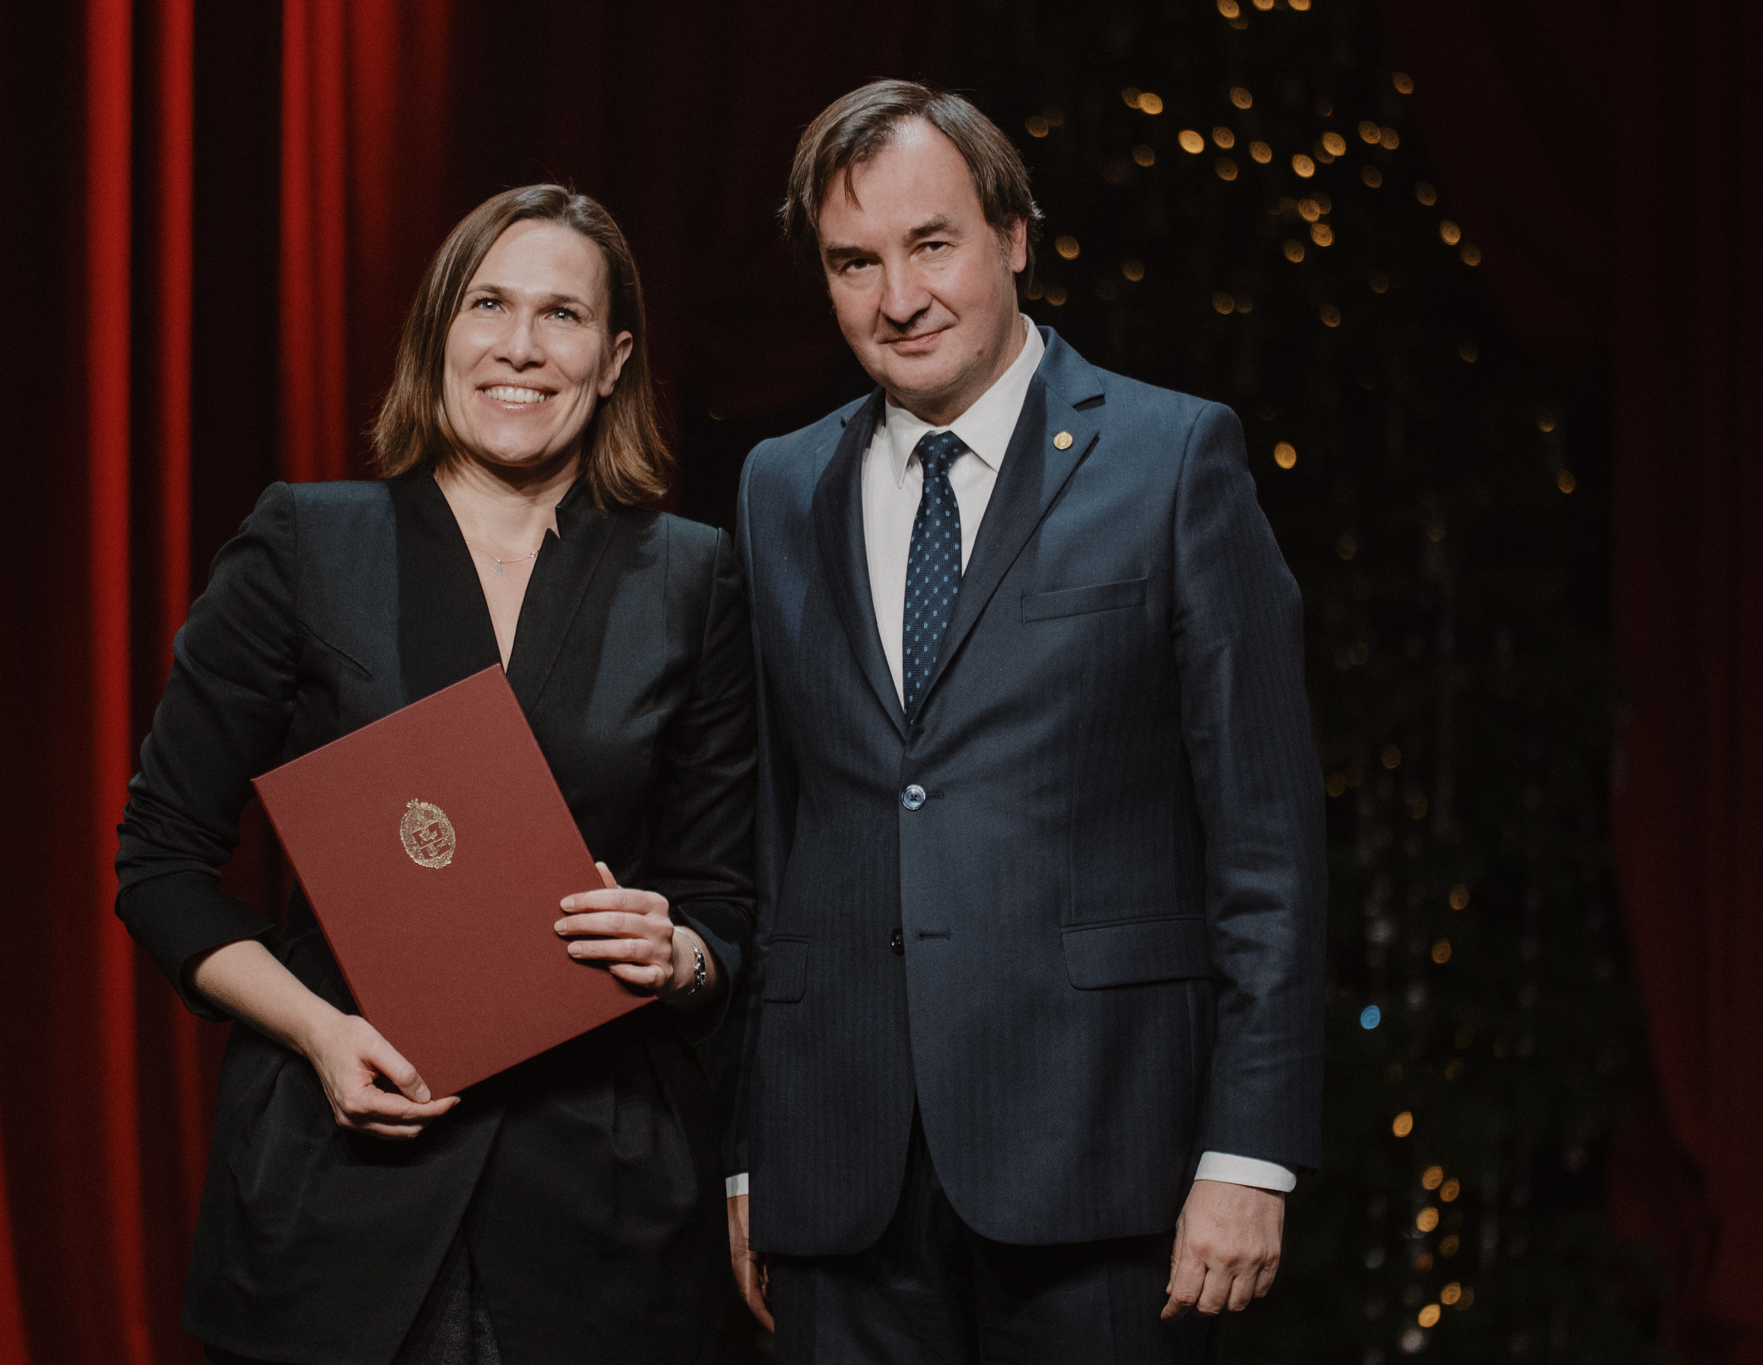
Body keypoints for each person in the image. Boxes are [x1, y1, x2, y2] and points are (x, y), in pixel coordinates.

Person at [721, 80, 1326, 1362]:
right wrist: (748, 1152)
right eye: (852, 262)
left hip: (1102, 1155)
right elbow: (774, 833)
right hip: (839, 1170)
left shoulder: (1172, 459)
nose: (897, 297)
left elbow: (1265, 842)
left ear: (1011, 237)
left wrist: (1249, 1150)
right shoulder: (778, 487)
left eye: (930, 244)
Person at [116, 184, 755, 1365]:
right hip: (337, 1194)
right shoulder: (306, 544)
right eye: (488, 305)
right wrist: (319, 1033)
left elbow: (727, 905)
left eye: (562, 316)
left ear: (613, 362)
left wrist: (680, 954)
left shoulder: (692, 577)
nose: (520, 346)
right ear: (438, 334)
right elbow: (159, 864)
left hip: (601, 1213)